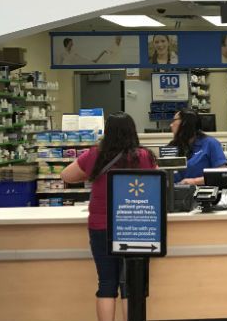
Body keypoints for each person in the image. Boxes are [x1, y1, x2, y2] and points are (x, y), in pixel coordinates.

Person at [60, 113, 157, 321]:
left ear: (107, 131)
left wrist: (90, 173)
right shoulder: (144, 156)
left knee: (106, 283)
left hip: (100, 226)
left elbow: (66, 175)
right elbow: (157, 183)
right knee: (131, 285)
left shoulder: (95, 155)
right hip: (135, 225)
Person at [167, 108, 227, 185]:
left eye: (174, 120)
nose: (171, 125)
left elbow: (222, 174)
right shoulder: (171, 146)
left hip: (201, 193)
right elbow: (164, 173)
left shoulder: (210, 144)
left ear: (185, 123)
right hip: (174, 195)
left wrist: (194, 182)